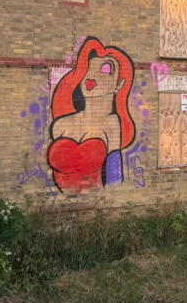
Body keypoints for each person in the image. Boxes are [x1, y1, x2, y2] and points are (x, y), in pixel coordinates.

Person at [47, 38, 136, 193]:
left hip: (95, 199)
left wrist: (111, 201)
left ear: (119, 84)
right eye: (88, 69)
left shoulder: (112, 123)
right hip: (59, 202)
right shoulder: (60, 125)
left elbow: (114, 178)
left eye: (106, 69)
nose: (91, 76)